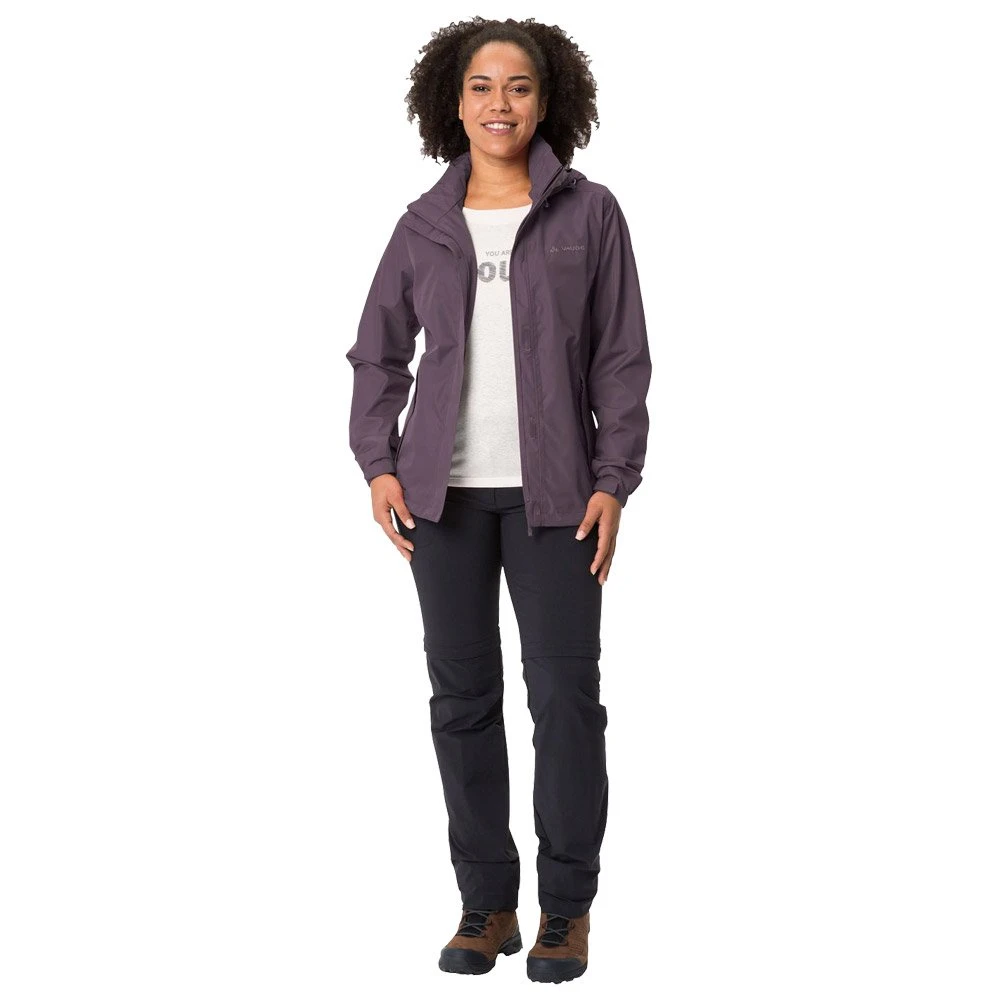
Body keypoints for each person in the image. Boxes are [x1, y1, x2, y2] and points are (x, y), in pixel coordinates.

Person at [345, 17, 651, 984]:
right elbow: (378, 353)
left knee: (566, 702)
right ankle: (487, 904)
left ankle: (567, 909)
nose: (499, 104)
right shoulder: (422, 224)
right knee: (462, 702)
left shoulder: (590, 214)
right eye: (481, 86)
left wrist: (614, 481)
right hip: (441, 502)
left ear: (547, 101)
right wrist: (379, 463)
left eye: (518, 87)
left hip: (558, 501)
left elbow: (621, 358)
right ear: (454, 101)